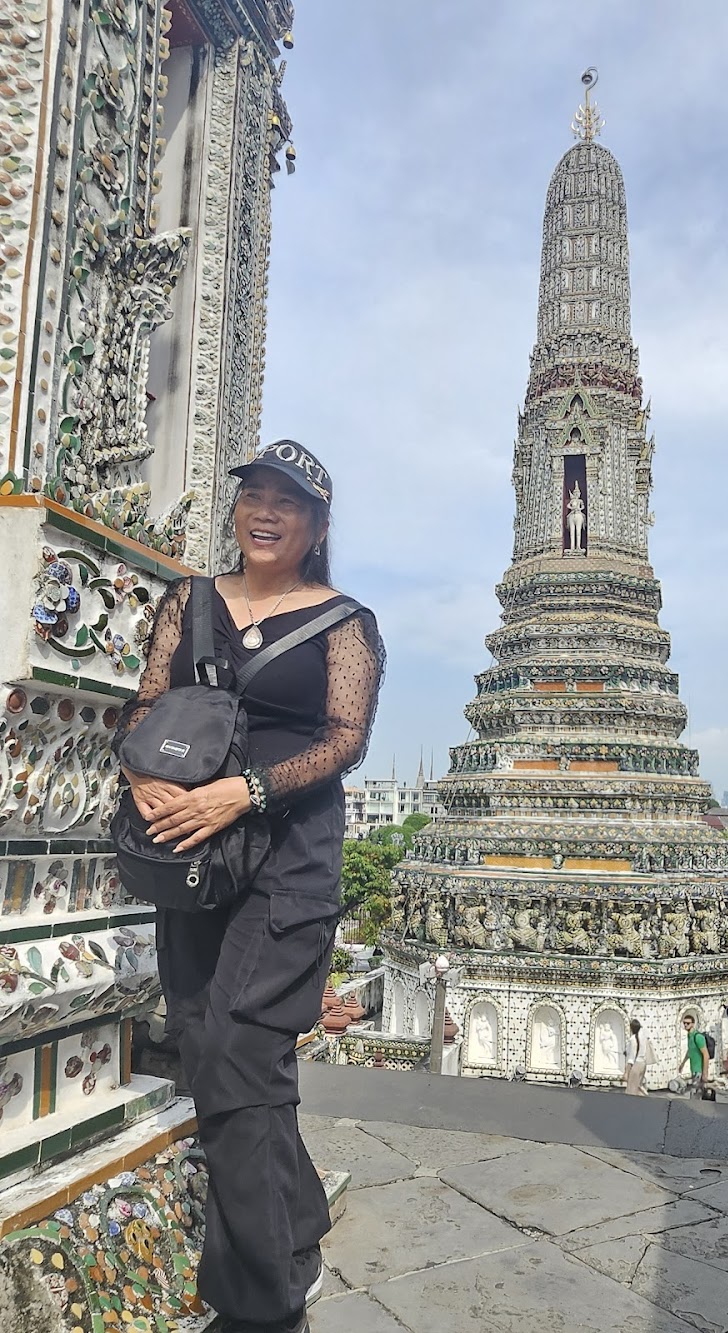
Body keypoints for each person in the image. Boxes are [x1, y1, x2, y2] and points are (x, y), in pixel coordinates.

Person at [115, 440, 384, 1333]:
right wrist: (139, 771)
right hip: (191, 854)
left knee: (239, 1046)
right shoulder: (191, 600)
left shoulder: (344, 619)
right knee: (214, 1046)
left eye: (288, 502)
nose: (265, 512)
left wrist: (248, 789)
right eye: (253, 496)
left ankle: (262, 1304)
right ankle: (296, 1213)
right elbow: (148, 702)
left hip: (289, 854)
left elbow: (346, 737)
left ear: (316, 525)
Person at [679, 1013, 709, 1094]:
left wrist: (705, 1072)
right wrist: (683, 1064)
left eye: (688, 1023)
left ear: (693, 1024)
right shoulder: (690, 1035)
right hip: (694, 1069)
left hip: (699, 1070)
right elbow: (690, 1051)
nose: (685, 1025)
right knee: (698, 1091)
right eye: (684, 1023)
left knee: (694, 1092)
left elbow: (706, 1055)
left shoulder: (697, 1037)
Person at [624, 1018, 651, 1095]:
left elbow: (631, 1058)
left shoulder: (633, 1039)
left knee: (631, 1090)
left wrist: (626, 1072)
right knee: (638, 1086)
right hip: (643, 1064)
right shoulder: (643, 1037)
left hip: (636, 1065)